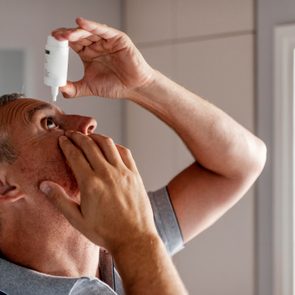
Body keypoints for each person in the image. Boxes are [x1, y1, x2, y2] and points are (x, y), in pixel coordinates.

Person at [0, 17, 267, 295]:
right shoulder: (129, 237)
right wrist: (134, 238)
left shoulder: (115, 244)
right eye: (49, 124)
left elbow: (241, 164)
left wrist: (143, 84)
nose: (88, 122)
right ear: (4, 185)